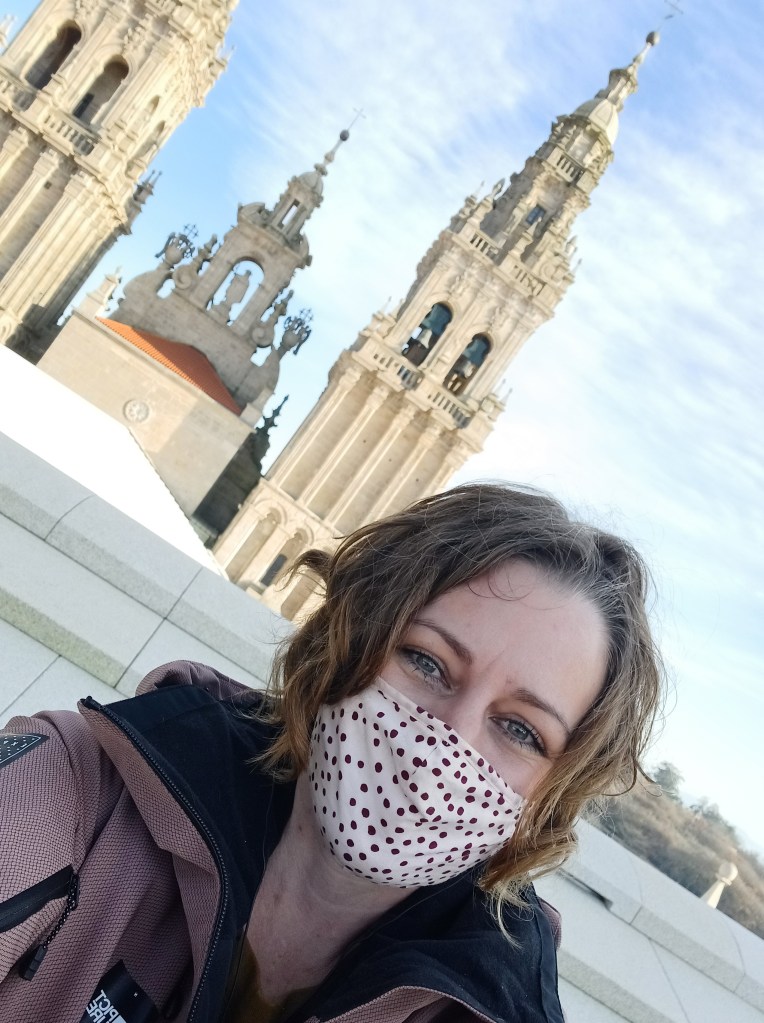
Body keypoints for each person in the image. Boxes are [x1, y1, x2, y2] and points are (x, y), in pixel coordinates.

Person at [0, 483, 663, 1023]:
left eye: (520, 730)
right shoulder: (73, 791)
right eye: (426, 662)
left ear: (546, 797)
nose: (446, 743)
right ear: (347, 644)